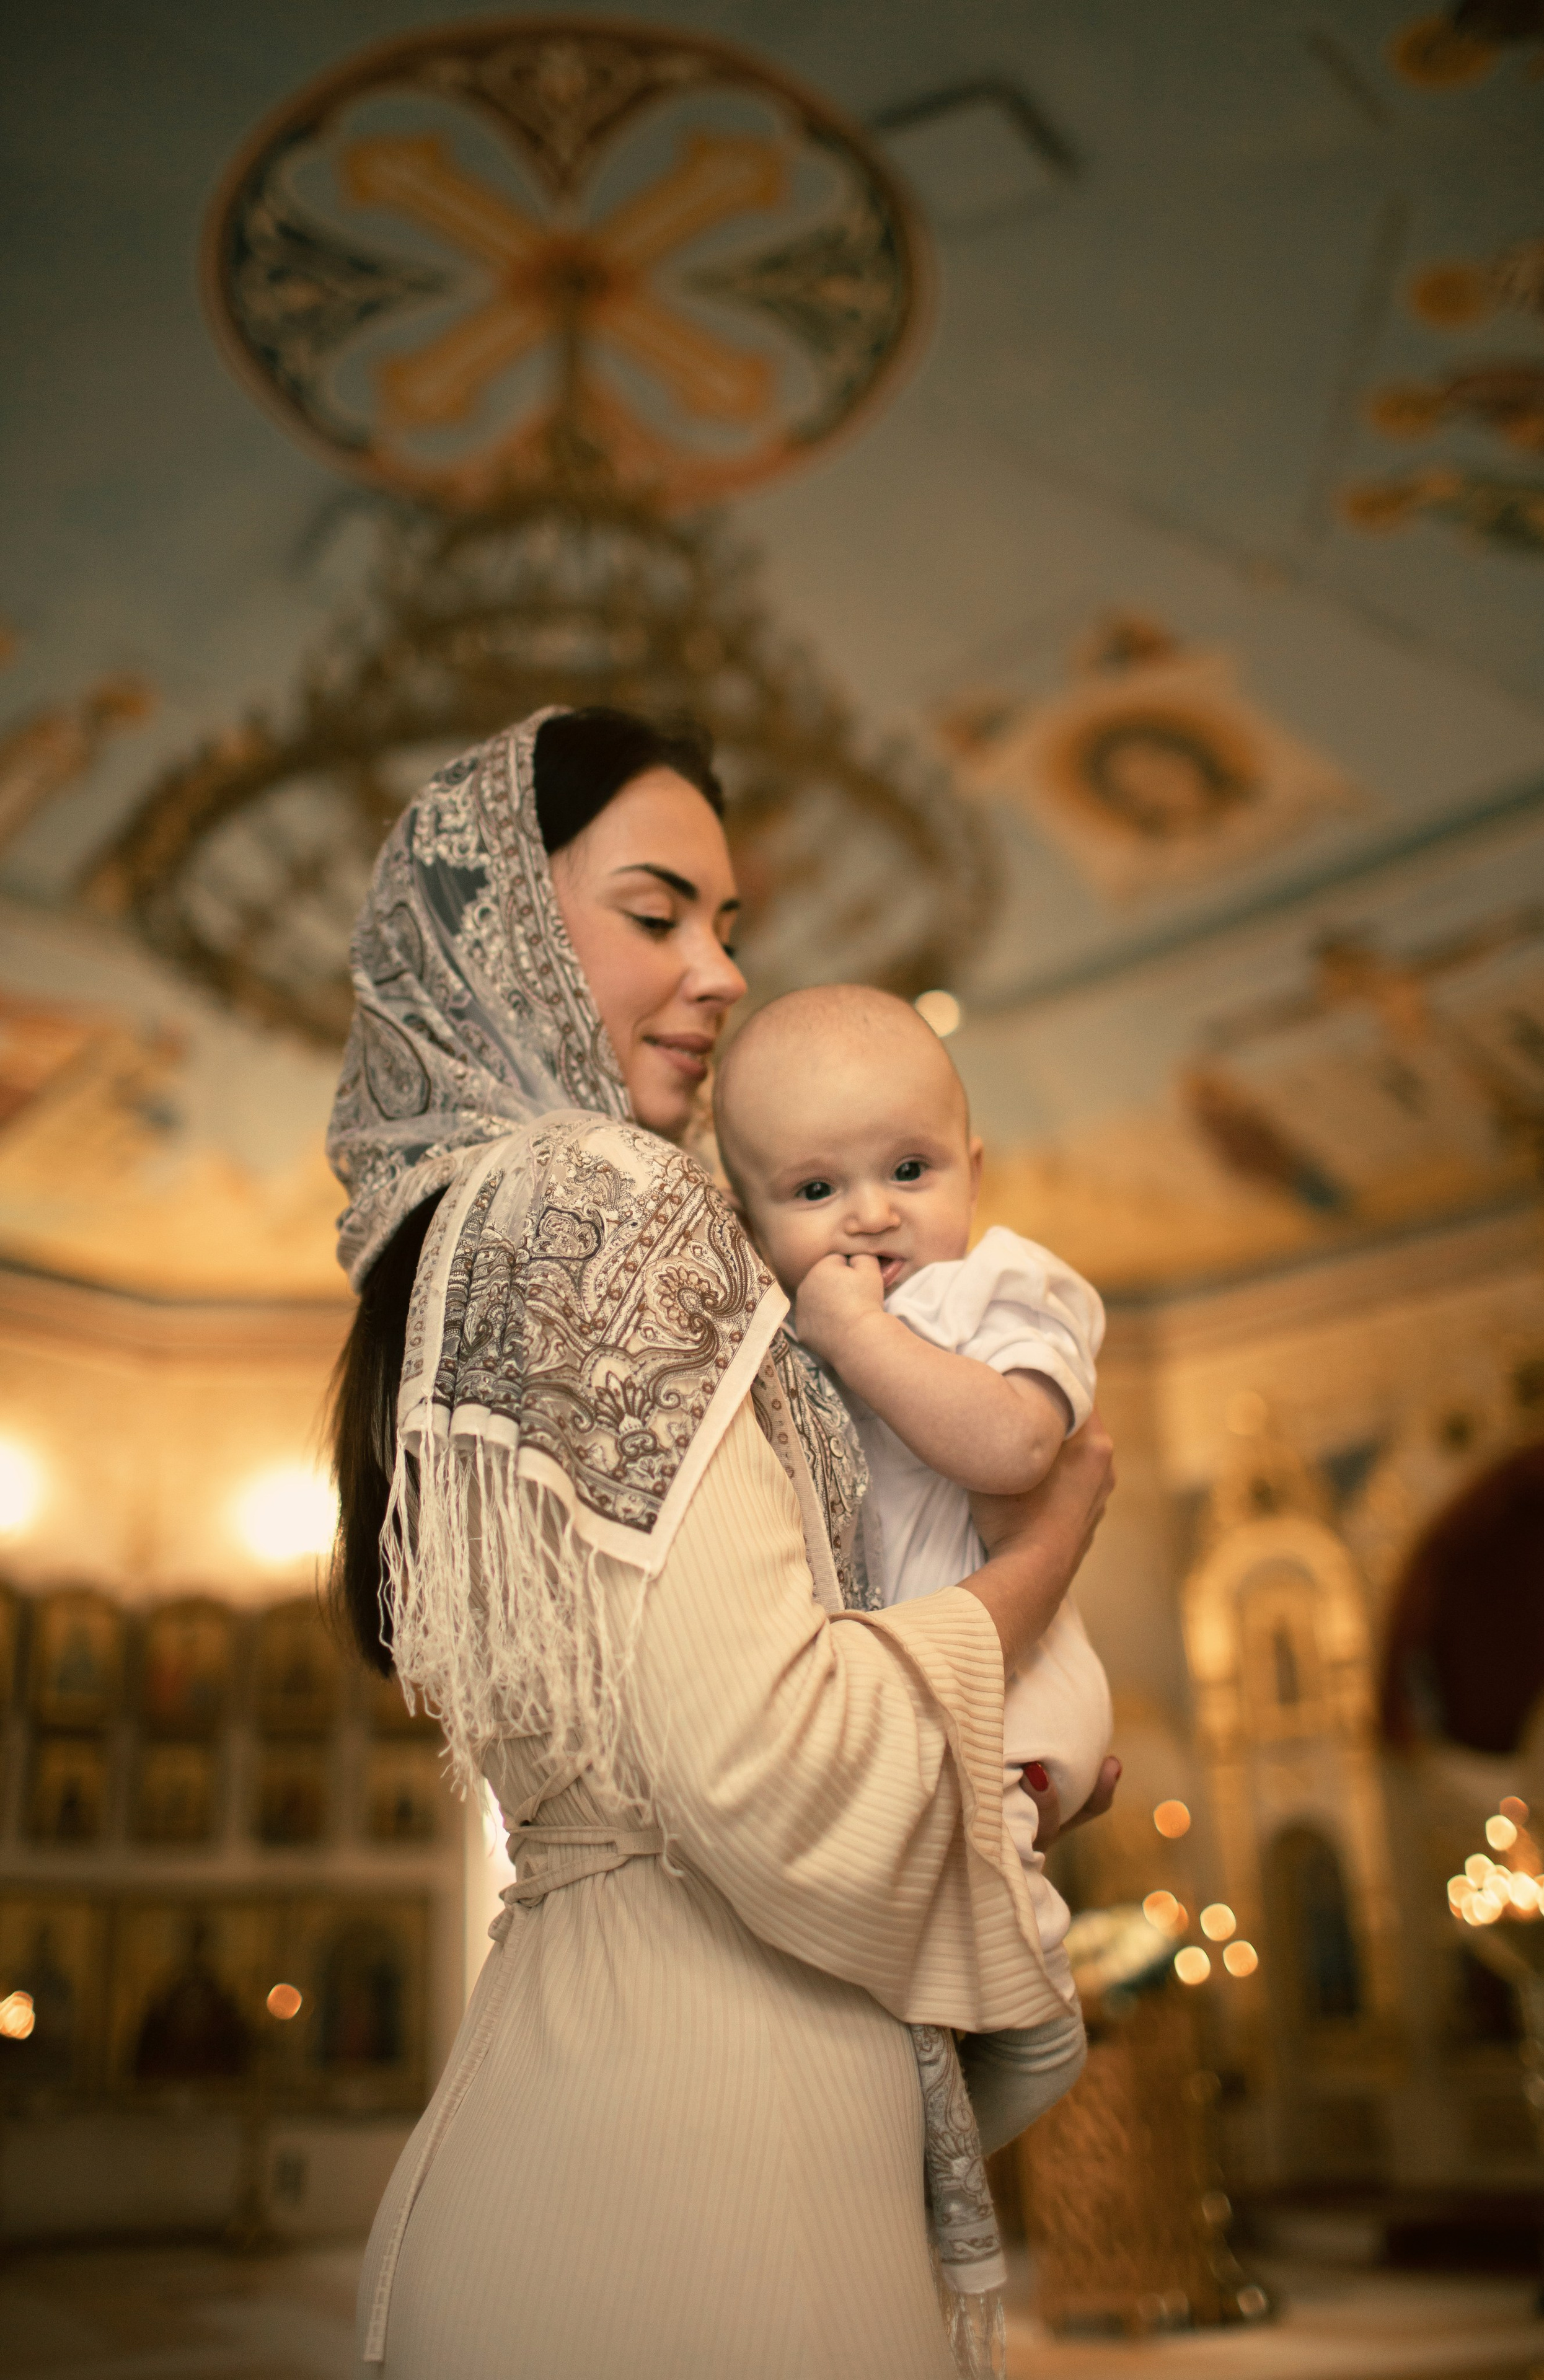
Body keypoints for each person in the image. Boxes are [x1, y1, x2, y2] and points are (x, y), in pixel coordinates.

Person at [327, 705, 1116, 2380]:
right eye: (656, 911)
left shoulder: (471, 1238)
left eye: (732, 928)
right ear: (512, 936)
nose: (720, 973)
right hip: (709, 2174)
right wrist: (1044, 1560)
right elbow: (778, 1772)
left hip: (594, 2103)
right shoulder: (599, 1204)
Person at [713, 984, 1110, 2149]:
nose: (871, 1216)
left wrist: (859, 1336)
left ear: (973, 1172)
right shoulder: (786, 1340)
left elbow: (1022, 1443)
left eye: (911, 1170)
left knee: (977, 1896)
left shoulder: (995, 1290)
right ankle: (915, 2117)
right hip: (906, 1697)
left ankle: (1027, 2036)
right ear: (751, 1218)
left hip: (1013, 1684)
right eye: (817, 1189)